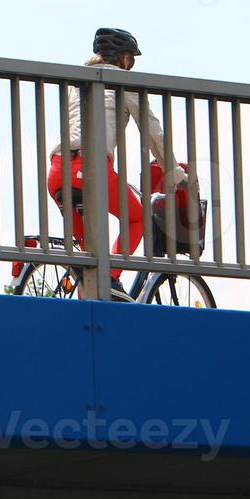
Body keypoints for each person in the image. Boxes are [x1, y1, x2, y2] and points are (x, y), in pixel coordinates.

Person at [47, 28, 189, 300]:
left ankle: (90, 297)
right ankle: (110, 278)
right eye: (131, 60)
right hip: (91, 169)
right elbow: (153, 133)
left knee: (89, 257)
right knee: (138, 218)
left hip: (57, 171)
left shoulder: (79, 82)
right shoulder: (123, 82)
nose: (130, 66)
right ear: (122, 59)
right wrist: (174, 173)